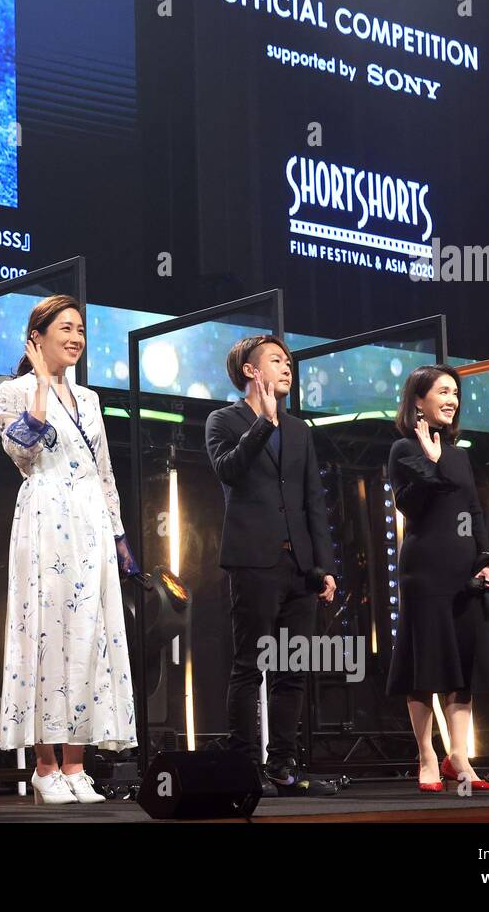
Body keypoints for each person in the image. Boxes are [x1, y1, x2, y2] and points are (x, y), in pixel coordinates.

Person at [0, 295, 137, 804]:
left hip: (91, 521)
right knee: (46, 634)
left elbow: (104, 472)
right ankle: (45, 765)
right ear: (38, 336)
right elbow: (22, 450)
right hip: (44, 519)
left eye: (80, 329)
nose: (75, 338)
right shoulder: (12, 391)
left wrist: (118, 533)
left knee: (90, 636)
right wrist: (37, 385)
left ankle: (77, 765)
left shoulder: (91, 399)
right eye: (65, 328)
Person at [205, 334, 337, 797]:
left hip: (299, 567)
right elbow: (229, 470)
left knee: (291, 670)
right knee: (249, 667)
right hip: (253, 563)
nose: (287, 368)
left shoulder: (300, 429)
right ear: (250, 370)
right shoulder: (223, 419)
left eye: (289, 361)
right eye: (277, 361)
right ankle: (245, 766)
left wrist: (324, 565)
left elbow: (312, 501)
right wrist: (262, 422)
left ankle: (282, 765)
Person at [386, 365, 489, 793]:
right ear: (419, 400)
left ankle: (460, 758)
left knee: (462, 666)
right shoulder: (403, 450)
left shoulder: (460, 453)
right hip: (424, 569)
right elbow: (410, 508)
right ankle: (426, 755)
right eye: (443, 391)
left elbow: (473, 511)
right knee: (426, 664)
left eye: (455, 391)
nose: (452, 399)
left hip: (463, 570)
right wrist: (432, 467)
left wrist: (485, 557)